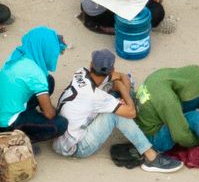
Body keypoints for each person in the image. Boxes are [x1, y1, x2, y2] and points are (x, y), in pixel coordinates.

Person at [51, 45, 185, 171]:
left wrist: (121, 87)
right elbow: (131, 112)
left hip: (61, 135)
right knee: (115, 114)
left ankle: (137, 128)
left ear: (91, 65)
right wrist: (122, 89)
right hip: (74, 147)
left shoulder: (80, 72)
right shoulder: (97, 96)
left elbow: (122, 77)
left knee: (115, 94)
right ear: (112, 70)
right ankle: (151, 157)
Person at [0, 26, 68, 142]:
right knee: (61, 124)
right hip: (8, 124)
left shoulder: (19, 56)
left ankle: (34, 114)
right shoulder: (36, 73)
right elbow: (50, 114)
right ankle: (20, 140)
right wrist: (53, 112)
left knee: (48, 80)